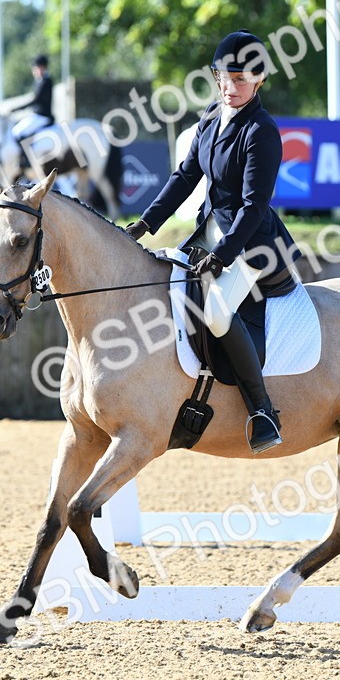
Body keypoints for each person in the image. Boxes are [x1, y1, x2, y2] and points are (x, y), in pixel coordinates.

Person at [126, 29, 297, 454]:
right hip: (211, 228)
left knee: (217, 312)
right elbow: (186, 176)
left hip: (252, 242)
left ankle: (262, 411)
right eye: (224, 77)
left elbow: (254, 206)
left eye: (241, 80)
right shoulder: (210, 116)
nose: (230, 87)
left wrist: (223, 255)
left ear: (259, 80)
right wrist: (146, 223)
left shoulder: (262, 132)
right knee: (164, 284)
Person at [9, 54, 55, 161]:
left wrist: (17, 109)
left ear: (43, 67)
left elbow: (36, 100)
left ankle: (26, 160)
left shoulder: (46, 81)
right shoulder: (39, 81)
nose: (34, 70)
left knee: (18, 133)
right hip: (36, 115)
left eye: (37, 68)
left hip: (42, 116)